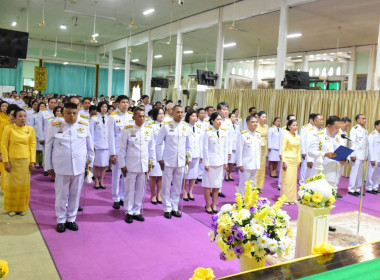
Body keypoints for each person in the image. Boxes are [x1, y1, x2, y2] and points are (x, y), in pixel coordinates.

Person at [45, 102, 94, 233]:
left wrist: (90, 164)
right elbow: (48, 147)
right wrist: (48, 166)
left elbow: (90, 145)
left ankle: (71, 219)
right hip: (61, 167)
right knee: (61, 195)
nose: (72, 116)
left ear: (78, 113)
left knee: (75, 194)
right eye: (68, 113)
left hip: (78, 166)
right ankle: (61, 220)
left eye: (74, 113)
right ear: (63, 113)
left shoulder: (84, 125)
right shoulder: (55, 126)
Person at [119, 108, 156, 223]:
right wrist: (122, 165)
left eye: (143, 116)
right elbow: (122, 149)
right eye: (139, 116)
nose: (141, 118)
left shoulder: (149, 130)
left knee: (141, 189)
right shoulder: (127, 130)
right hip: (130, 164)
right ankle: (128, 211)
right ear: (133, 117)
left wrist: (152, 161)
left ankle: (137, 210)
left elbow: (151, 147)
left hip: (144, 164)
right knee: (129, 189)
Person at [155, 105, 192, 219]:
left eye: (182, 112)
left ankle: (174, 207)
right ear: (172, 113)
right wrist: (159, 159)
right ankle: (167, 208)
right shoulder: (166, 126)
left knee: (177, 185)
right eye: (178, 112)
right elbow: (158, 143)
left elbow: (189, 145)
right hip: (168, 160)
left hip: (181, 160)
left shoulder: (186, 127)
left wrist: (188, 158)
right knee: (166, 185)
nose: (180, 114)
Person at [1, 107, 36, 216]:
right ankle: (11, 208)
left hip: (25, 162)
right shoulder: (9, 128)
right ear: (14, 118)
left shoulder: (30, 129)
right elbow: (4, 145)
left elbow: (32, 145)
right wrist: (5, 161)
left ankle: (22, 208)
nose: (23, 118)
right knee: (11, 185)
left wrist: (32, 161)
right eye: (20, 116)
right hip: (12, 161)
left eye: (24, 116)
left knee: (23, 185)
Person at [108, 95, 133, 209]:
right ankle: (115, 198)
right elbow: (110, 136)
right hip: (117, 151)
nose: (125, 104)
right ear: (118, 104)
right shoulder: (113, 117)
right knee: (116, 176)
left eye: (127, 102)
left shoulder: (131, 117)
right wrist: (112, 153)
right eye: (123, 102)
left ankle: (123, 196)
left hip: (129, 151)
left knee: (126, 175)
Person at [202, 112, 228, 214]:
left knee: (217, 185)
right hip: (211, 162)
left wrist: (225, 162)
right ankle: (208, 205)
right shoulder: (208, 132)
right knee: (208, 185)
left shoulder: (224, 132)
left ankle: (214, 204)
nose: (219, 121)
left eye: (220, 119)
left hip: (220, 162)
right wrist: (206, 163)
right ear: (212, 121)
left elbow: (225, 148)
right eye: (217, 119)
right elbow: (205, 148)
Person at [236, 115, 261, 195]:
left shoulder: (258, 135)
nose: (255, 124)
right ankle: (242, 200)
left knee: (252, 183)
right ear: (247, 124)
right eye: (253, 122)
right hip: (245, 164)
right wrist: (239, 164)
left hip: (255, 163)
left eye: (256, 122)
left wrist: (258, 163)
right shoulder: (243, 135)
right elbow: (239, 151)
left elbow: (258, 150)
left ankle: (248, 200)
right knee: (244, 184)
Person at [182, 110, 202, 201]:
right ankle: (184, 191)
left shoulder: (199, 128)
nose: (194, 118)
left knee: (193, 175)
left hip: (196, 154)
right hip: (187, 154)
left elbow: (200, 143)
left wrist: (201, 155)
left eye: (195, 116)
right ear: (188, 117)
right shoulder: (185, 127)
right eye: (192, 116)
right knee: (185, 174)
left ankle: (190, 191)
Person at [281, 119, 301, 205]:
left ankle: (292, 198)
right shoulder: (286, 136)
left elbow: (299, 150)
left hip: (295, 160)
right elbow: (283, 149)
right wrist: (284, 161)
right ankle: (284, 198)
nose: (295, 127)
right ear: (289, 127)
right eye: (293, 125)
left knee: (293, 180)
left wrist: (299, 160)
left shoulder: (298, 136)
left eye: (296, 125)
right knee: (287, 179)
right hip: (288, 160)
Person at [90, 101, 109, 190]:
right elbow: (91, 133)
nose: (104, 109)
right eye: (102, 107)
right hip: (97, 144)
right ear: (99, 108)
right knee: (96, 164)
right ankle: (96, 181)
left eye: (105, 107)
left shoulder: (109, 118)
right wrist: (92, 145)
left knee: (104, 164)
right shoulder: (94, 119)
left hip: (106, 145)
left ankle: (101, 180)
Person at [348, 114, 368, 196]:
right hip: (356, 154)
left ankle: (357, 188)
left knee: (360, 173)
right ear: (358, 120)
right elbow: (352, 142)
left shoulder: (365, 130)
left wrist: (366, 155)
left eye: (365, 118)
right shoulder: (354, 129)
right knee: (354, 172)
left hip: (362, 155)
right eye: (363, 118)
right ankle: (351, 188)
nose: (365, 120)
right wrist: (352, 154)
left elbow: (366, 144)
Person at [36, 98, 57, 176]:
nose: (53, 104)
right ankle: (46, 168)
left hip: (55, 137)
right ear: (48, 103)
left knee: (54, 153)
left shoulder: (58, 112)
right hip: (46, 136)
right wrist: (40, 137)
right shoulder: (43, 112)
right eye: (51, 102)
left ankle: (53, 168)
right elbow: (40, 125)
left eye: (55, 102)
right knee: (46, 153)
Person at [148, 107, 165, 205]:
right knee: (153, 175)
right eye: (159, 114)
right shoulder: (151, 127)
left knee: (161, 176)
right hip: (154, 153)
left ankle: (159, 194)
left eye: (163, 113)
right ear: (155, 115)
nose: (161, 115)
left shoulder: (166, 126)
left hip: (164, 153)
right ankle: (153, 194)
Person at [216, 102, 232, 198]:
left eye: (227, 110)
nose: (226, 112)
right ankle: (212, 188)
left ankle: (219, 189)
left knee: (222, 171)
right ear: (218, 110)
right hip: (215, 148)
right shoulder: (214, 120)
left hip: (224, 149)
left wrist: (229, 152)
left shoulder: (229, 122)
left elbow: (229, 139)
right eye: (224, 110)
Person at [0, 104, 18, 191]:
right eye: (3, 106)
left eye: (6, 106)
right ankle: (5, 188)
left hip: (15, 151)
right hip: (3, 147)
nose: (4, 108)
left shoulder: (16, 123)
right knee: (4, 169)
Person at [305, 114, 324, 180]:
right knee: (309, 176)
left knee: (317, 177)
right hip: (312, 157)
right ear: (315, 121)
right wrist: (309, 159)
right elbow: (308, 145)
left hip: (319, 157)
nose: (322, 122)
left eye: (322, 120)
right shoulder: (311, 131)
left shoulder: (323, 131)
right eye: (320, 120)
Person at [300, 113, 316, 185]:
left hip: (313, 151)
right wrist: (303, 151)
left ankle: (309, 181)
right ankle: (302, 181)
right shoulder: (305, 128)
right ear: (310, 120)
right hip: (306, 151)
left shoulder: (317, 128)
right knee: (304, 167)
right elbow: (302, 140)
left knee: (312, 167)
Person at [366, 120, 380, 195]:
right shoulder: (372, 135)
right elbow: (370, 148)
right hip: (374, 158)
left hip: (379, 158)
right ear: (376, 126)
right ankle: (369, 187)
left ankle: (375, 187)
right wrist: (372, 159)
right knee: (371, 173)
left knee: (377, 174)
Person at [255, 111, 268, 189]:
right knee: (256, 166)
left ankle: (259, 185)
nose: (264, 118)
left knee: (262, 167)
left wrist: (266, 149)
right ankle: (253, 185)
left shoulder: (266, 126)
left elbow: (266, 138)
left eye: (265, 117)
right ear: (259, 117)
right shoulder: (256, 125)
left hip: (263, 148)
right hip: (257, 147)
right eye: (263, 117)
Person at [225, 112, 239, 181]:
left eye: (235, 117)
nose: (234, 118)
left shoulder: (237, 125)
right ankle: (226, 174)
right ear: (229, 118)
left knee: (232, 162)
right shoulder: (227, 125)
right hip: (228, 145)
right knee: (226, 161)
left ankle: (230, 173)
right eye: (233, 117)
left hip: (235, 145)